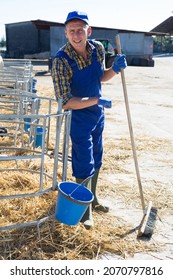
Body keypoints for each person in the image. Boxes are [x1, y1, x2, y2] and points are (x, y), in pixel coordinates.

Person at [52, 11, 127, 229]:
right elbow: (64, 101)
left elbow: (100, 77)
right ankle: (84, 211)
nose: (76, 35)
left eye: (80, 30)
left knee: (97, 157)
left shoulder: (98, 49)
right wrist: (96, 100)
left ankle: (93, 199)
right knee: (84, 161)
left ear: (89, 30)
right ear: (66, 33)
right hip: (77, 116)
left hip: (97, 113)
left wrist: (114, 69)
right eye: (72, 31)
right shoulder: (61, 60)